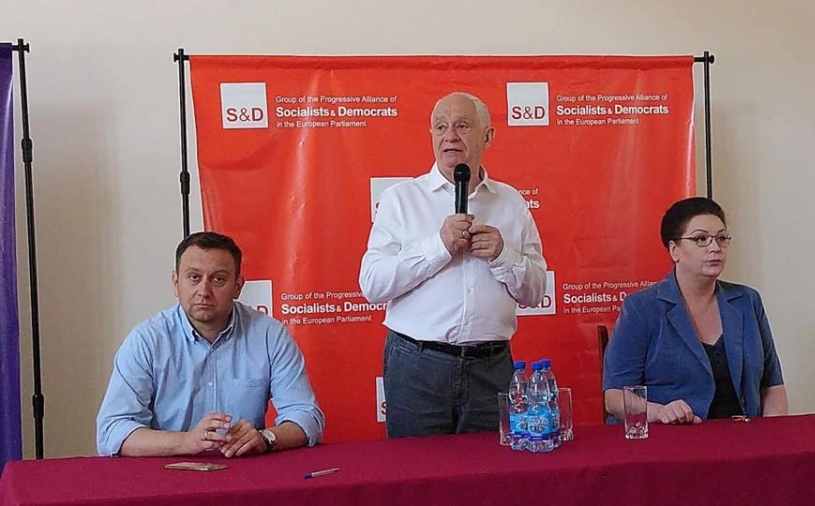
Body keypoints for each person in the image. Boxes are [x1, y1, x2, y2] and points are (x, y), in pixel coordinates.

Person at [359, 92, 547, 438]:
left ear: (487, 136)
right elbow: (372, 284)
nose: (450, 136)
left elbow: (535, 292)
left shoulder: (511, 202)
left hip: (491, 367)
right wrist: (438, 247)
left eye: (462, 126)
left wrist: (503, 255)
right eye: (440, 127)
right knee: (417, 468)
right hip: (418, 366)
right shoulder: (401, 199)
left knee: (491, 468)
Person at [97, 232, 324, 457]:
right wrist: (185, 442)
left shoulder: (269, 335)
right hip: (166, 470)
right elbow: (112, 431)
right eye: (194, 277)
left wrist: (266, 438)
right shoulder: (147, 341)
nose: (204, 292)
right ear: (176, 283)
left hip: (245, 467)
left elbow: (307, 417)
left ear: (238, 286)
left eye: (218, 279)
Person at [603, 197, 788, 424]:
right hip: (672, 436)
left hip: (743, 435)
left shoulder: (747, 301)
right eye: (701, 239)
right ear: (674, 250)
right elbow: (614, 397)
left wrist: (771, 433)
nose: (715, 247)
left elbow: (773, 386)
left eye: (721, 238)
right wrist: (659, 412)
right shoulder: (642, 308)